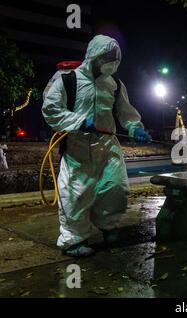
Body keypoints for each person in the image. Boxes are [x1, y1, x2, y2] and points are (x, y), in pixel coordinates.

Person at [42, 35, 151, 257]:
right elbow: (51, 109)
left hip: (107, 144)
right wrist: (78, 122)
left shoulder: (115, 84)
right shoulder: (67, 80)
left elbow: (125, 113)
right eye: (109, 59)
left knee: (115, 188)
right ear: (95, 56)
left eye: (117, 60)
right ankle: (74, 240)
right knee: (76, 193)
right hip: (77, 146)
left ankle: (108, 225)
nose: (113, 64)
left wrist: (135, 128)